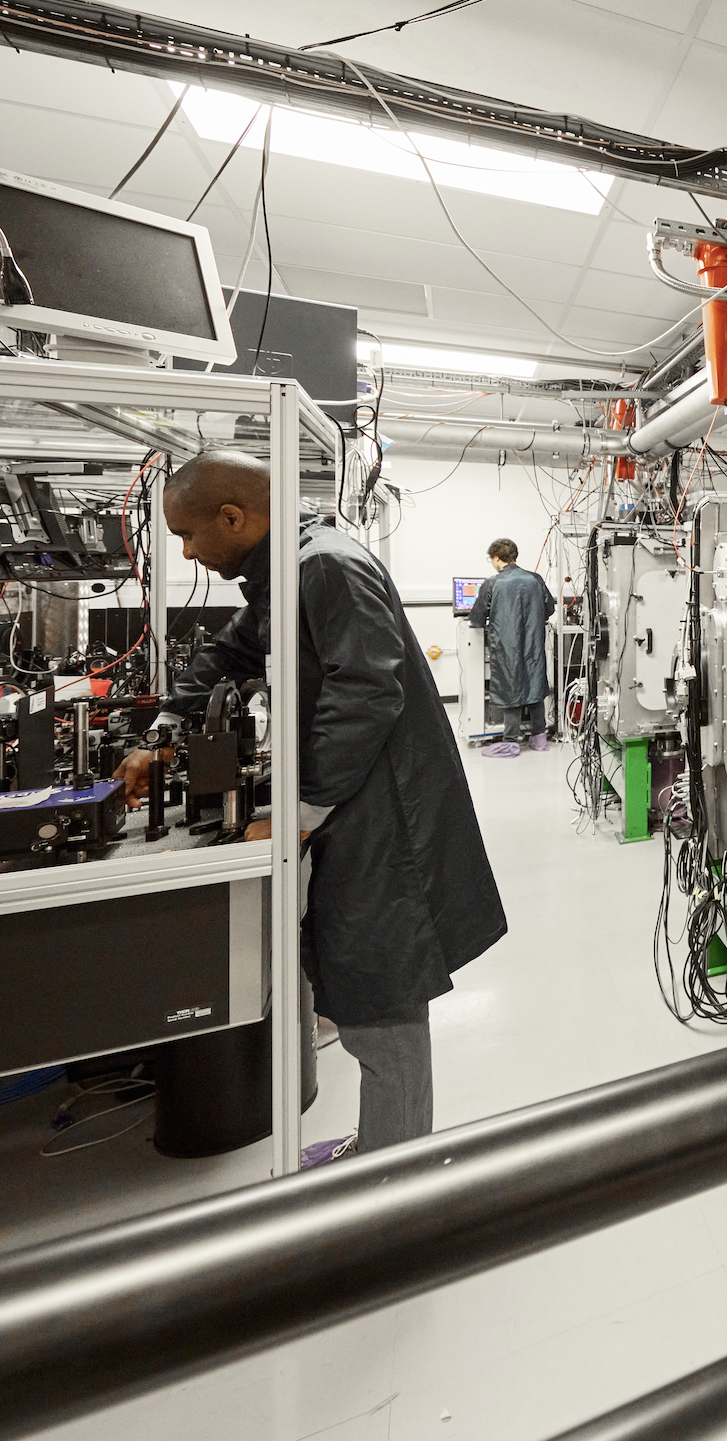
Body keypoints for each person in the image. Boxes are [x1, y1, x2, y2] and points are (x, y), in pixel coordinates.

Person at [117, 450, 507, 1162]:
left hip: (384, 817)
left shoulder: (324, 566)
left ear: (233, 517)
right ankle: (382, 1148)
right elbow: (231, 654)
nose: (187, 552)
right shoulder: (283, 575)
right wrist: (165, 731)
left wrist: (295, 810)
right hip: (352, 809)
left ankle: (393, 1185)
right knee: (360, 989)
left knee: (383, 1000)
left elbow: (366, 693)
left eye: (188, 534)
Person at [466, 537, 556, 757]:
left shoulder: (493, 583)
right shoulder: (535, 579)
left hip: (507, 646)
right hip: (533, 644)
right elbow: (550, 608)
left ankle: (509, 742)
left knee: (510, 688)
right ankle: (539, 737)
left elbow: (477, 619)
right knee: (534, 685)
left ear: (497, 558)